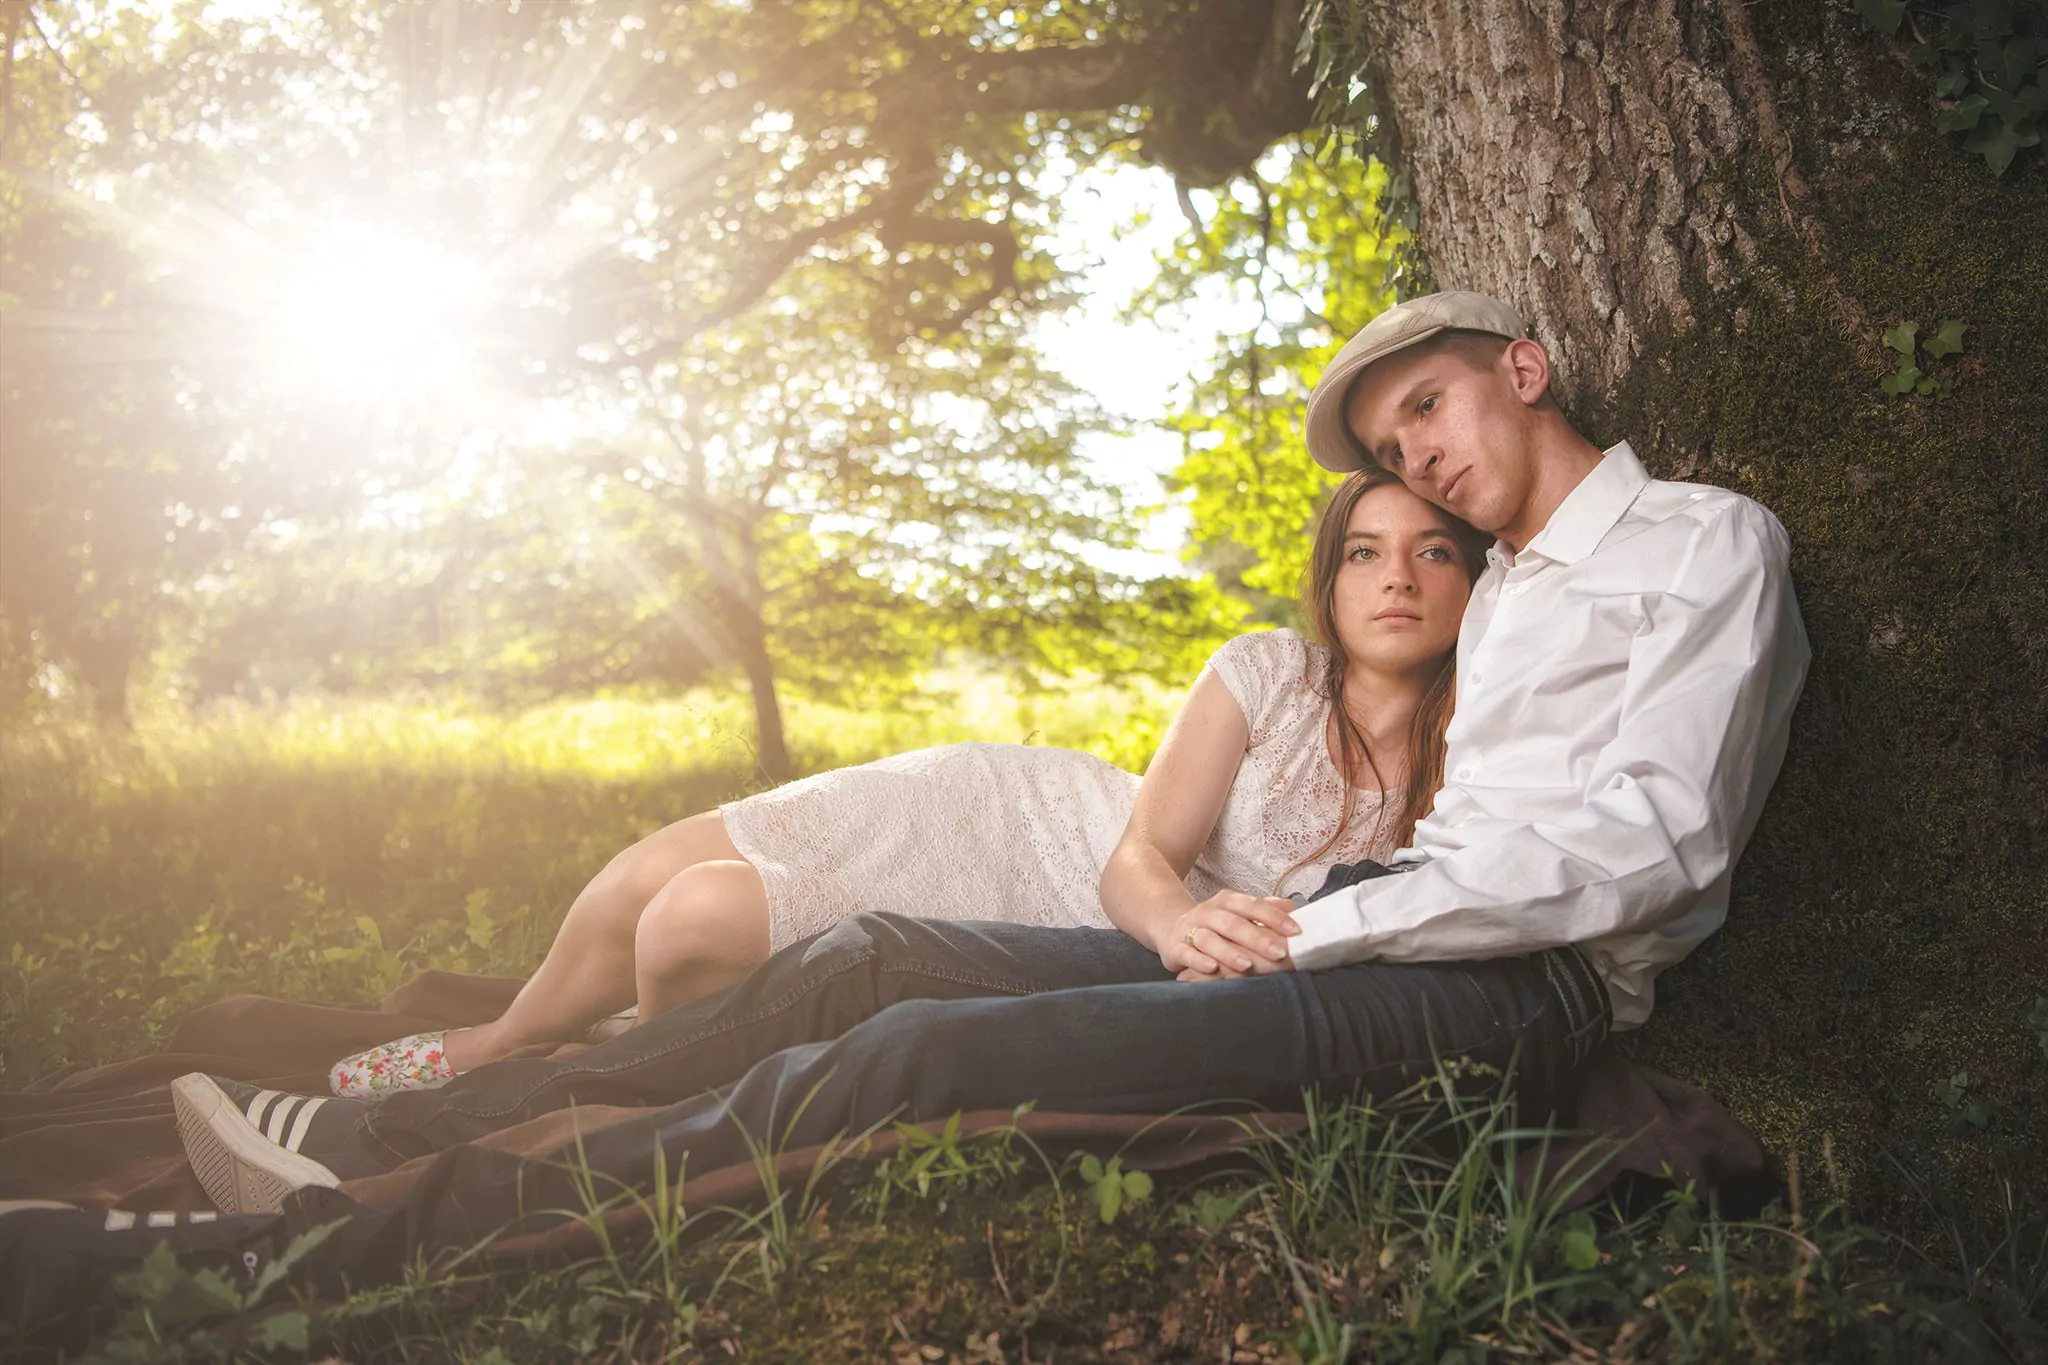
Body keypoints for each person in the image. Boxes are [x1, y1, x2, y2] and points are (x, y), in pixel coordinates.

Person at [172, 290, 1810, 1219]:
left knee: (930, 1052)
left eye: (1437, 413)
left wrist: (1314, 923)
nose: (1424, 476)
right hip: (1344, 919)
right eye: (1391, 459)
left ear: (1522, 368)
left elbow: (1650, 846)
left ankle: (395, 1218)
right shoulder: (1491, 588)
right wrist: (1236, 912)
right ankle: (397, 1128)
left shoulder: (1698, 545)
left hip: (1523, 991)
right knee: (870, 954)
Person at [326, 466, 1493, 1097]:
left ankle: (628, 1059)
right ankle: (502, 1039)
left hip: (1060, 925)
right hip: (1033, 819)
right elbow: (1139, 854)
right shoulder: (1266, 671)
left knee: (692, 925)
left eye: (1430, 551)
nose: (1394, 579)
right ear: (1328, 582)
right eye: (1361, 552)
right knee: (649, 874)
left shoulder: (1479, 752)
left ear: (1470, 584)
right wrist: (1186, 923)